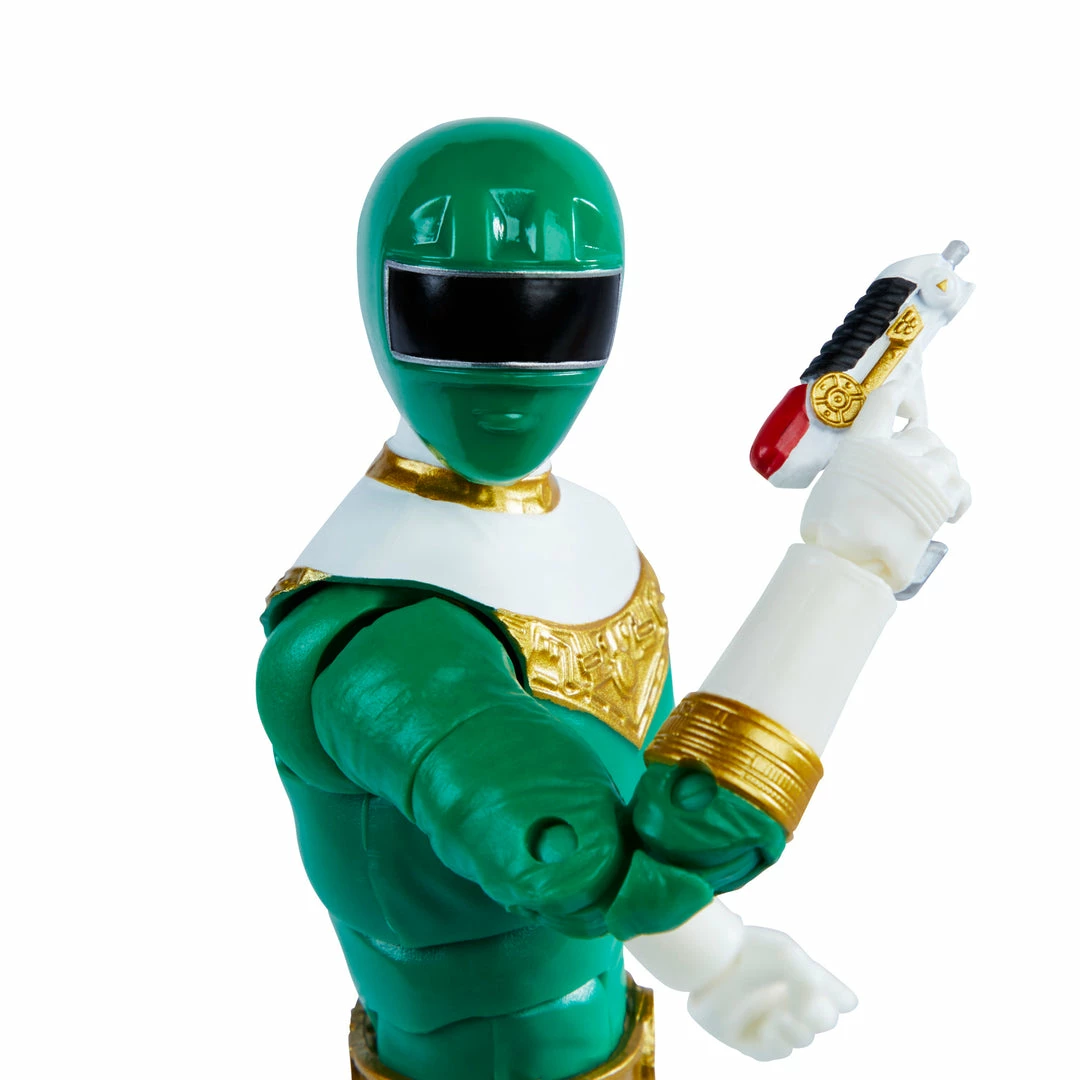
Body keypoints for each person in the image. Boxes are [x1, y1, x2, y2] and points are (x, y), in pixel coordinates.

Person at [256, 118, 969, 1080]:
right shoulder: (367, 631)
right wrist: (848, 564)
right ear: (382, 306)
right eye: (455, 315)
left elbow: (673, 830)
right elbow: (574, 847)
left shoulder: (593, 529)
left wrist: (853, 562)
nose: (508, 370)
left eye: (555, 314)